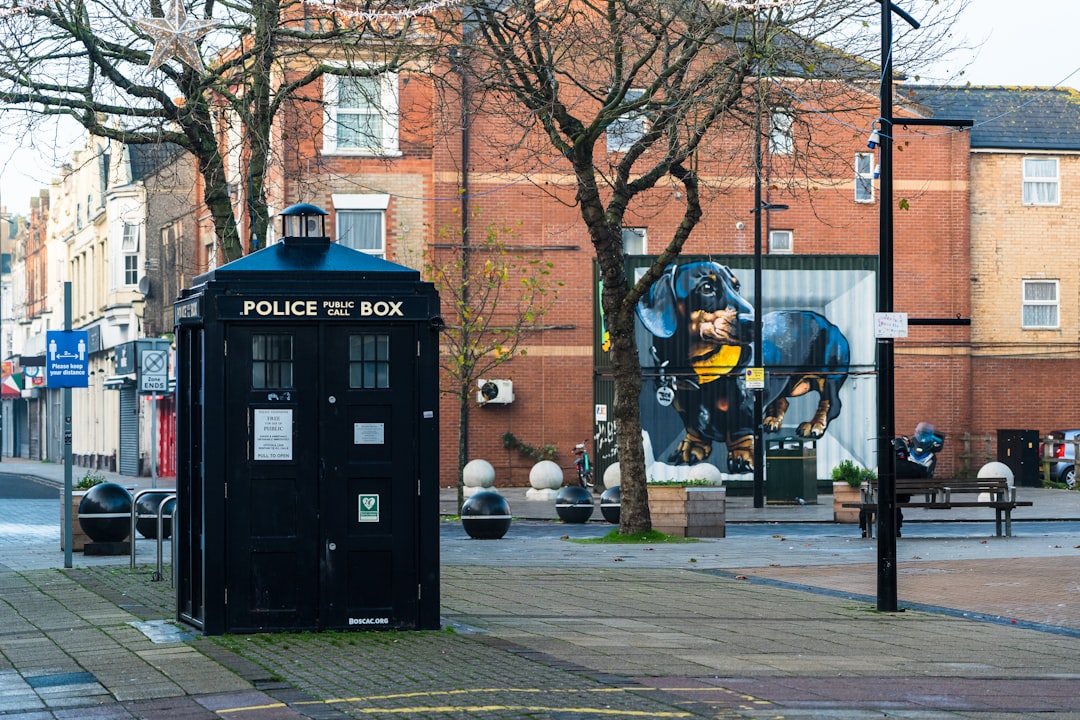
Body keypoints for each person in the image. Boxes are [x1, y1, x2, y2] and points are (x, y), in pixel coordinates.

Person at [893, 422, 944, 536]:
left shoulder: (888, 468)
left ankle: (891, 528)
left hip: (893, 495)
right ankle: (896, 527)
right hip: (908, 493)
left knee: (893, 501)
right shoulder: (915, 468)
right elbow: (925, 475)